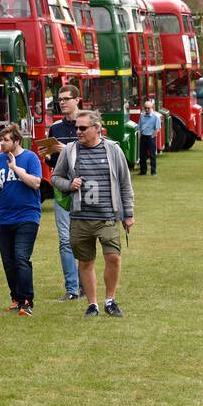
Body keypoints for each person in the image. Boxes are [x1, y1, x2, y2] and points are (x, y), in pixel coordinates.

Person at [50, 110, 135, 318]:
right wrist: (69, 185)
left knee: (113, 257)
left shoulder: (113, 150)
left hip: (107, 216)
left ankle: (110, 300)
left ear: (97, 128)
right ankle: (93, 305)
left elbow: (125, 183)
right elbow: (55, 178)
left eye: (82, 128)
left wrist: (129, 213)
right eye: (77, 128)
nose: (77, 132)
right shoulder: (69, 151)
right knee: (85, 262)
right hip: (80, 217)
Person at [0, 123, 43, 316]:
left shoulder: (30, 158)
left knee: (21, 258)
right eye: (1, 139)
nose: (2, 143)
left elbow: (35, 183)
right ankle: (16, 298)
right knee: (8, 262)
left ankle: (27, 301)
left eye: (6, 140)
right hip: (4, 217)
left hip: (27, 216)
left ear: (16, 140)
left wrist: (15, 168)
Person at [46, 83, 82, 299]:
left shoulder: (87, 124)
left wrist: (66, 149)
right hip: (62, 189)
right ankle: (72, 289)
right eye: (60, 99)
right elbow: (55, 163)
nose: (63, 102)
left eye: (66, 98)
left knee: (83, 239)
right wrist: (48, 155)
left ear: (77, 100)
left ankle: (86, 285)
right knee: (65, 239)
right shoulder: (55, 129)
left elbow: (92, 153)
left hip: (84, 187)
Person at [137, 98, 161, 176]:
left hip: (151, 137)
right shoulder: (142, 116)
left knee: (152, 155)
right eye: (145, 108)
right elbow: (139, 126)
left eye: (148, 108)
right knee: (142, 155)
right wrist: (140, 134)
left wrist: (152, 135)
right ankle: (143, 171)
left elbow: (157, 128)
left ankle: (153, 171)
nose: (147, 109)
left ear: (152, 108)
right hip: (143, 137)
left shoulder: (155, 116)